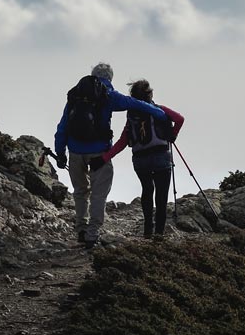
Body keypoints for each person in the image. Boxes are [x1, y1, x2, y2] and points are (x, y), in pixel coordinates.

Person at [54, 63, 167, 247]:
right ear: (110, 78)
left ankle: (81, 230)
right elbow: (135, 103)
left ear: (92, 74)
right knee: (99, 194)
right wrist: (159, 113)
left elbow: (63, 126)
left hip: (74, 150)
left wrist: (60, 152)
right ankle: (93, 234)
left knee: (80, 191)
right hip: (99, 151)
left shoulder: (76, 95)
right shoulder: (108, 94)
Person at [105, 79, 185, 239]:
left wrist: (105, 157)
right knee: (161, 195)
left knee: (147, 190)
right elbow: (180, 119)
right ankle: (159, 233)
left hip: (140, 160)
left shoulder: (132, 117)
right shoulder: (160, 110)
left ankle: (148, 229)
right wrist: (173, 135)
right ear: (150, 94)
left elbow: (122, 142)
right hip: (161, 157)